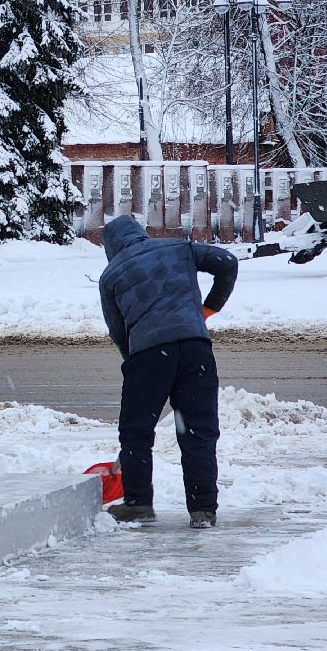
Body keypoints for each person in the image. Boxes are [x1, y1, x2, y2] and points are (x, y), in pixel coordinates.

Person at [98, 215, 238, 529]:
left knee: (136, 432)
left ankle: (138, 504)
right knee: (198, 431)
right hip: (195, 348)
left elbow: (118, 331)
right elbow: (227, 262)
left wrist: (135, 365)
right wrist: (208, 308)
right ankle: (203, 510)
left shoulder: (111, 275)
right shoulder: (179, 247)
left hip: (148, 354)